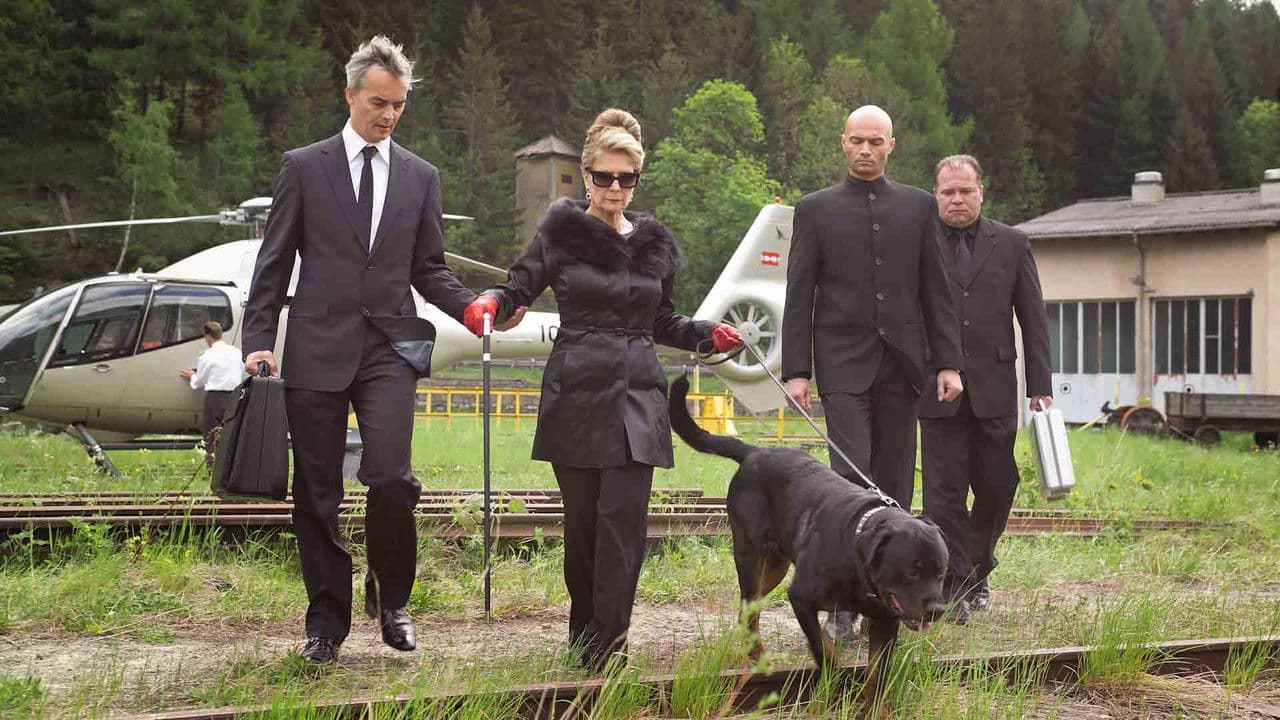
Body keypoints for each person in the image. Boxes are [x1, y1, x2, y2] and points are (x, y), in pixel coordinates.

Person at [463, 108, 743, 671]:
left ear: (637, 180)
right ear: (587, 176)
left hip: (638, 394)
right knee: (585, 527)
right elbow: (519, 286)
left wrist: (704, 333)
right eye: (604, 177)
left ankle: (610, 647)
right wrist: (492, 301)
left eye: (626, 178)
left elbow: (661, 320)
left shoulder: (654, 243)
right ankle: (583, 638)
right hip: (577, 389)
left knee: (623, 526)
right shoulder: (561, 233)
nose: (615, 188)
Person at [241, 36, 485, 664]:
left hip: (389, 350)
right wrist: (259, 342)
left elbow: (429, 268)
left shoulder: (421, 177)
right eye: (379, 103)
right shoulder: (304, 167)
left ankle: (392, 596)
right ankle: (326, 622)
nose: (389, 115)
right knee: (317, 491)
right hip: (316, 349)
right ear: (349, 95)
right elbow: (274, 263)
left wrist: (470, 306)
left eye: (398, 105)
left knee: (393, 478)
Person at [780, 104, 964, 641]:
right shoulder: (814, 209)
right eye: (857, 140)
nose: (865, 149)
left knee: (895, 481)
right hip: (841, 364)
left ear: (891, 146)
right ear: (844, 143)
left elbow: (937, 290)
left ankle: (888, 598)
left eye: (875, 141)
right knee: (848, 480)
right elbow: (799, 293)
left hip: (904, 365)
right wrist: (797, 370)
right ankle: (842, 601)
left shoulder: (919, 206)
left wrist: (948, 361)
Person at [919, 155, 1052, 624]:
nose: (957, 200)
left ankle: (978, 567)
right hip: (936, 388)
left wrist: (1040, 384)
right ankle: (955, 584)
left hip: (996, 387)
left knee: (998, 485)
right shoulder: (918, 241)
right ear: (935, 195)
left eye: (965, 191)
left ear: (981, 192)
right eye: (948, 192)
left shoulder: (1013, 243)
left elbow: (1033, 318)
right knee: (944, 496)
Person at [179, 321, 242, 464]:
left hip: (215, 399)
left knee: (212, 436)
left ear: (208, 337)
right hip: (234, 397)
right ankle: (230, 469)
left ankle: (213, 469)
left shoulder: (207, 355)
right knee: (231, 435)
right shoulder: (236, 353)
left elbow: (199, 381)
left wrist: (192, 376)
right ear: (221, 334)